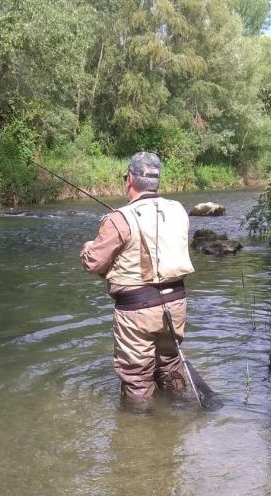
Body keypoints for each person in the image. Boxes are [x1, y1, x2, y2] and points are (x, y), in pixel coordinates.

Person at [80, 151, 195, 403]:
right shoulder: (178, 210)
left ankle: (137, 434)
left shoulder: (118, 219)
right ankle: (177, 422)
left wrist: (89, 246)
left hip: (136, 311)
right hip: (176, 303)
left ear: (130, 179)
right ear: (157, 181)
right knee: (170, 364)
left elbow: (93, 263)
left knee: (136, 378)